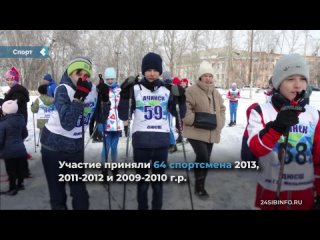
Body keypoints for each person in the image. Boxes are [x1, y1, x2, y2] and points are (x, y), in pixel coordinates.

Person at [243, 53, 320, 210]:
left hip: (304, 195)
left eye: (303, 79)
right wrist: (277, 127)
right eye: (290, 79)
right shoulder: (261, 111)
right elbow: (256, 149)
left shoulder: (314, 115)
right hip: (271, 195)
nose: (298, 85)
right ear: (278, 83)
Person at [40, 57, 110, 210]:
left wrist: (105, 99)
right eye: (78, 72)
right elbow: (67, 123)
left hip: (75, 148)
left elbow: (100, 118)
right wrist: (79, 97)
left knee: (80, 193)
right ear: (70, 73)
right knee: (58, 195)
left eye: (86, 73)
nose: (82, 77)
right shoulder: (63, 89)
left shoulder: (92, 90)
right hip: (53, 147)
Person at [118, 52, 186, 210]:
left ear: (160, 71)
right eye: (148, 70)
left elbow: (180, 114)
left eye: (155, 70)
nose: (152, 73)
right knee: (142, 184)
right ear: (143, 71)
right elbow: (123, 115)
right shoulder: (135, 89)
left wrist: (181, 99)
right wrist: (124, 95)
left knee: (157, 184)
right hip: (141, 143)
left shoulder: (166, 90)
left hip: (161, 143)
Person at [183, 60, 226, 198]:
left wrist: (221, 121)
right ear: (200, 76)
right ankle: (199, 187)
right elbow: (185, 109)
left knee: (205, 159)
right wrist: (195, 119)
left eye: (210, 76)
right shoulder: (191, 91)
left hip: (211, 131)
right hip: (195, 130)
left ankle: (201, 183)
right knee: (203, 156)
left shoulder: (216, 93)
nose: (208, 78)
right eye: (205, 75)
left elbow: (222, 109)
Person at [3, 66, 31, 175]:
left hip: (17, 121)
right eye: (8, 79)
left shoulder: (18, 91)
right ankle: (23, 170)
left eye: (12, 79)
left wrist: (3, 102)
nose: (9, 82)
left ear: (16, 80)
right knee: (17, 145)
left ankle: (22, 171)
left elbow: (11, 105)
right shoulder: (15, 90)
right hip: (15, 120)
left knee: (16, 145)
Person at [99, 67, 123, 178]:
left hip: (117, 124)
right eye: (108, 79)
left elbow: (123, 106)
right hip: (107, 123)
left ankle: (114, 169)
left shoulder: (119, 90)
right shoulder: (102, 89)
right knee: (106, 147)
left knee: (114, 148)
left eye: (111, 79)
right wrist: (99, 122)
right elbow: (98, 107)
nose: (109, 81)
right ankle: (104, 170)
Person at [0, 100, 28, 195]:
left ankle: (12, 188)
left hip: (9, 151)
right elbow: (25, 134)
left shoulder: (3, 123)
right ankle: (20, 184)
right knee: (19, 168)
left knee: (11, 170)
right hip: (20, 149)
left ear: (5, 111)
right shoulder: (21, 119)